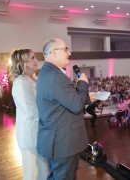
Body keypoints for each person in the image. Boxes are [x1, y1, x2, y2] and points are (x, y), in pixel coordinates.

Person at [36, 38, 90, 179]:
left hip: (57, 139)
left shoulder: (46, 73)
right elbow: (76, 105)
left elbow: (63, 101)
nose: (69, 52)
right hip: (63, 141)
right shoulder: (56, 76)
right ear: (54, 53)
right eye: (65, 49)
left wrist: (86, 96)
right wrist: (83, 84)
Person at [10, 49, 49, 180]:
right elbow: (31, 111)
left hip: (39, 131)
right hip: (30, 134)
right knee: (33, 173)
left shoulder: (33, 80)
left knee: (43, 171)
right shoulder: (20, 83)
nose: (36, 61)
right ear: (23, 62)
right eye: (32, 58)